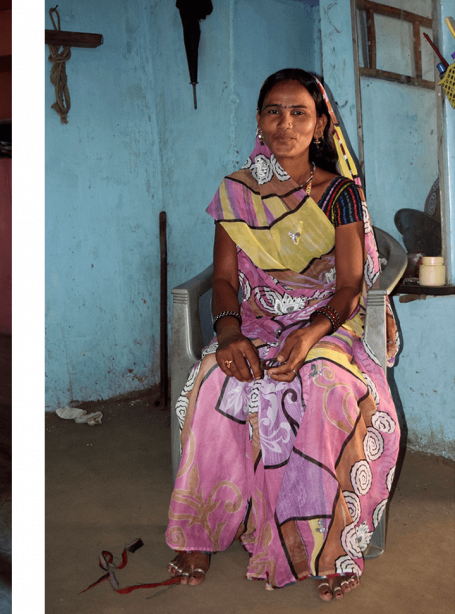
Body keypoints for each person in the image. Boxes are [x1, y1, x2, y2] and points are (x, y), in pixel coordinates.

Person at [165, 69, 401, 601]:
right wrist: (228, 336)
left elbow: (347, 289)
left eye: (299, 113)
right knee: (216, 384)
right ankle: (201, 534)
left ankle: (332, 543)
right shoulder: (238, 191)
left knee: (326, 389)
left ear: (319, 125)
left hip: (328, 321)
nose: (285, 123)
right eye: (273, 111)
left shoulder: (339, 195)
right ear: (258, 121)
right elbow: (223, 279)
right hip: (257, 318)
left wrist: (312, 334)